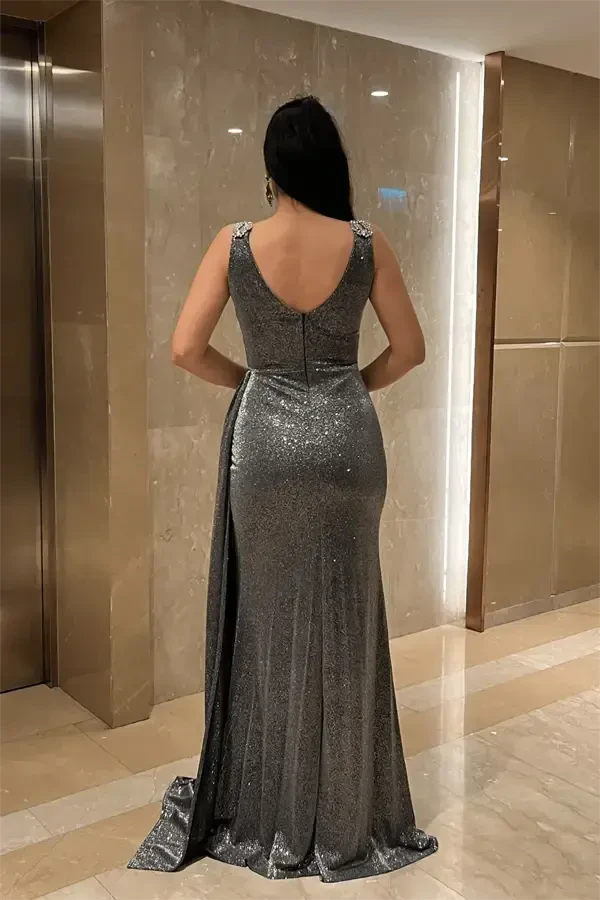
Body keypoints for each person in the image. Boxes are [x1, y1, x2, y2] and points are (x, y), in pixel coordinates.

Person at [129, 96, 437, 883]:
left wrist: (253, 382)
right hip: (348, 445)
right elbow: (410, 349)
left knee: (266, 625)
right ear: (331, 164)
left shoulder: (235, 244)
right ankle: (345, 814)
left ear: (271, 171)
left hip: (263, 447)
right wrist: (349, 388)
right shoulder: (366, 244)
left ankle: (270, 810)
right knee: (347, 621)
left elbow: (185, 348)